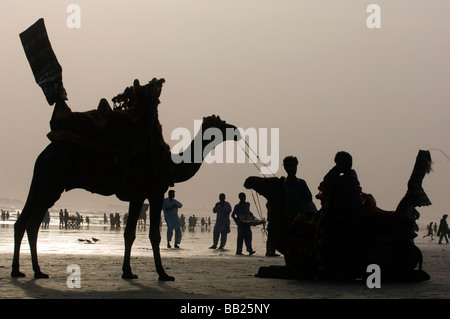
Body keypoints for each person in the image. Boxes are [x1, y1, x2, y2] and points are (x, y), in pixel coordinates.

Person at [317, 151, 362, 279]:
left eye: (338, 163)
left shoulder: (348, 178)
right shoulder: (349, 176)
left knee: (340, 242)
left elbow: (326, 180)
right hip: (346, 215)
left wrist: (336, 169)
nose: (336, 165)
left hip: (347, 217)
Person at [282, 156, 316, 223]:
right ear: (286, 168)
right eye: (291, 166)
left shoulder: (301, 183)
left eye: (295, 166)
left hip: (303, 216)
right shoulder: (282, 184)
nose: (294, 169)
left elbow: (309, 199)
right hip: (288, 218)